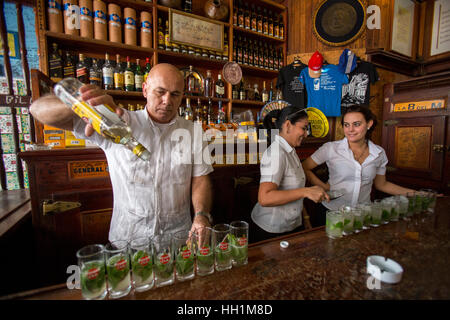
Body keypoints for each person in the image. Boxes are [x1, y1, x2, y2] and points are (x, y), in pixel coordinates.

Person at [30, 63, 213, 242]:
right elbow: (37, 110)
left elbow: (200, 178)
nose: (167, 101)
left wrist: (201, 214)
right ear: (145, 90)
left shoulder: (194, 131)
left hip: (178, 239)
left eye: (175, 94)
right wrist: (80, 104)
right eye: (160, 92)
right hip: (129, 240)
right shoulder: (116, 121)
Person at [302, 105, 416, 226]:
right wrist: (322, 187)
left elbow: (381, 184)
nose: (350, 129)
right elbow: (304, 167)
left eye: (356, 124)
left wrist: (415, 194)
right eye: (346, 125)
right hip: (332, 212)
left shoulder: (379, 153)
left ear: (369, 124)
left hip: (363, 214)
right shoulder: (331, 148)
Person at [250, 106, 330, 243]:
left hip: (290, 226)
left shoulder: (290, 150)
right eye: (304, 128)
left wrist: (305, 218)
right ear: (288, 125)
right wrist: (306, 191)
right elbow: (265, 198)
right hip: (271, 230)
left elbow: (294, 190)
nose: (306, 134)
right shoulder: (276, 153)